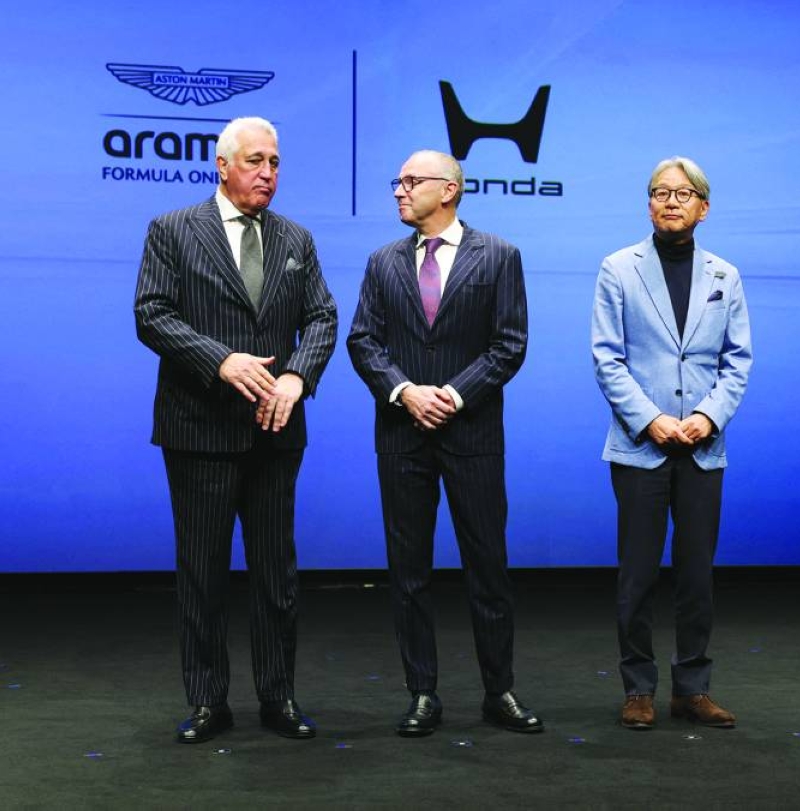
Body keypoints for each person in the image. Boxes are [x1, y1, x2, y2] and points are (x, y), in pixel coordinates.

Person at [134, 116, 338, 743]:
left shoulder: (295, 239)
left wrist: (298, 377)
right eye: (256, 162)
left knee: (277, 574)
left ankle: (278, 697)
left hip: (276, 432)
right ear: (222, 165)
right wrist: (219, 359)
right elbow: (151, 313)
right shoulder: (173, 229)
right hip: (199, 429)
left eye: (275, 163)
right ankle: (207, 701)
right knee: (202, 572)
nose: (268, 174)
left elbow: (324, 318)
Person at [346, 150, 541, 736]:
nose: (399, 191)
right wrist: (407, 393)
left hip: (472, 435)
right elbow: (363, 342)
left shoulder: (499, 256)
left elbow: (509, 345)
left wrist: (451, 396)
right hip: (403, 436)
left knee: (489, 569)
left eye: (412, 181)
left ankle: (498, 691)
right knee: (409, 574)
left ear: (449, 189)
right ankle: (422, 692)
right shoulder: (383, 262)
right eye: (397, 180)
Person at [592, 157, 752, 730]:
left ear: (703, 207)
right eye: (659, 192)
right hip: (642, 446)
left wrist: (707, 418)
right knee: (636, 577)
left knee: (696, 576)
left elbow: (738, 362)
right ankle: (638, 688)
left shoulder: (724, 276)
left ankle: (692, 687)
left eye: (682, 194)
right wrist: (651, 418)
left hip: (703, 448)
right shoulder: (619, 267)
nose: (670, 202)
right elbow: (607, 358)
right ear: (649, 203)